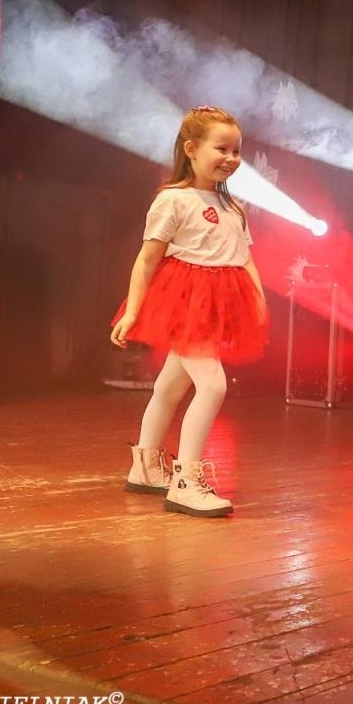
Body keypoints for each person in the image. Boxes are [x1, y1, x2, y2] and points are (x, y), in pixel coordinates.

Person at [110, 106, 268, 518]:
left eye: (237, 151)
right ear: (192, 149)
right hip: (184, 303)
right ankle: (185, 481)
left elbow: (243, 259)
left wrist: (257, 297)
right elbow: (147, 260)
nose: (231, 158)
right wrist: (132, 312)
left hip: (216, 306)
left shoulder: (235, 209)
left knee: (171, 386)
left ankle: (145, 467)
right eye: (222, 148)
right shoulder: (173, 200)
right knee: (212, 386)